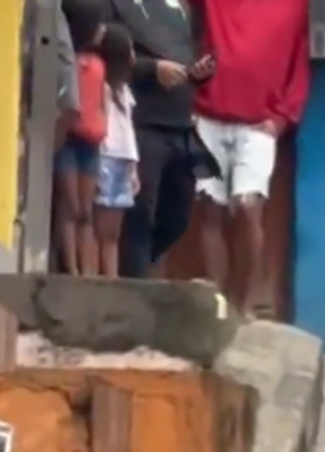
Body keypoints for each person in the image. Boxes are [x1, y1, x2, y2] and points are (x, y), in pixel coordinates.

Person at [190, 0, 310, 316]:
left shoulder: (294, 5)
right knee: (210, 210)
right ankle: (217, 304)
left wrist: (282, 119)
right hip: (207, 117)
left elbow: (299, 64)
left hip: (259, 125)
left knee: (248, 208)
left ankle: (242, 305)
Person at [105, 0, 216, 279]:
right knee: (140, 212)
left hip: (180, 126)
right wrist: (152, 69)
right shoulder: (119, 6)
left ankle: (137, 269)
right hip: (142, 123)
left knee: (178, 215)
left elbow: (184, 56)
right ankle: (136, 285)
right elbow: (108, 54)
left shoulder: (180, 8)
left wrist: (196, 74)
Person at [54, 0, 107, 276]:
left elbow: (102, 104)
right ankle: (72, 268)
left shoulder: (98, 64)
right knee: (70, 206)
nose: (103, 30)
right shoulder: (66, 60)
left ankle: (87, 270)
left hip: (91, 143)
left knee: (86, 210)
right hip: (69, 140)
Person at [93, 24, 138, 278]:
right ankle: (96, 276)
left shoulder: (124, 92)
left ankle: (111, 278)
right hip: (105, 158)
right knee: (99, 225)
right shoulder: (103, 89)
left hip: (122, 161)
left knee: (113, 232)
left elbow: (128, 131)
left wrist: (133, 169)